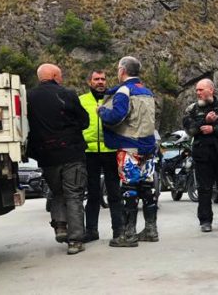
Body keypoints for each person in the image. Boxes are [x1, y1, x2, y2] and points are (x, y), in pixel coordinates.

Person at [27, 63, 89, 255]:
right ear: (54, 75)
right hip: (71, 153)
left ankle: (61, 227)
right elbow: (84, 121)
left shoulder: (29, 97)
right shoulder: (67, 94)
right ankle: (75, 240)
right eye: (60, 75)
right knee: (74, 195)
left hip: (46, 156)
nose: (62, 79)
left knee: (56, 192)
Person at [98, 56, 158, 247]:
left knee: (129, 189)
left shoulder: (124, 91)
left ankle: (128, 235)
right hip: (148, 146)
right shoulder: (146, 91)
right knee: (147, 188)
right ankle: (150, 230)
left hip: (130, 146)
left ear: (122, 70)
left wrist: (101, 111)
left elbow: (117, 116)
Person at [183, 78, 218, 233]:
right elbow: (190, 130)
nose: (198, 93)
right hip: (203, 156)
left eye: (201, 90)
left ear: (211, 90)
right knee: (204, 189)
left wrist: (214, 129)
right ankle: (205, 221)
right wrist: (203, 121)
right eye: (196, 90)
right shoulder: (192, 109)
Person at [79, 69, 124, 243]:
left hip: (111, 150)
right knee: (93, 194)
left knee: (114, 193)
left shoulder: (114, 100)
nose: (100, 82)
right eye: (96, 79)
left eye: (103, 79)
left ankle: (118, 230)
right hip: (89, 152)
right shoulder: (81, 100)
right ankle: (91, 230)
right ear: (89, 81)